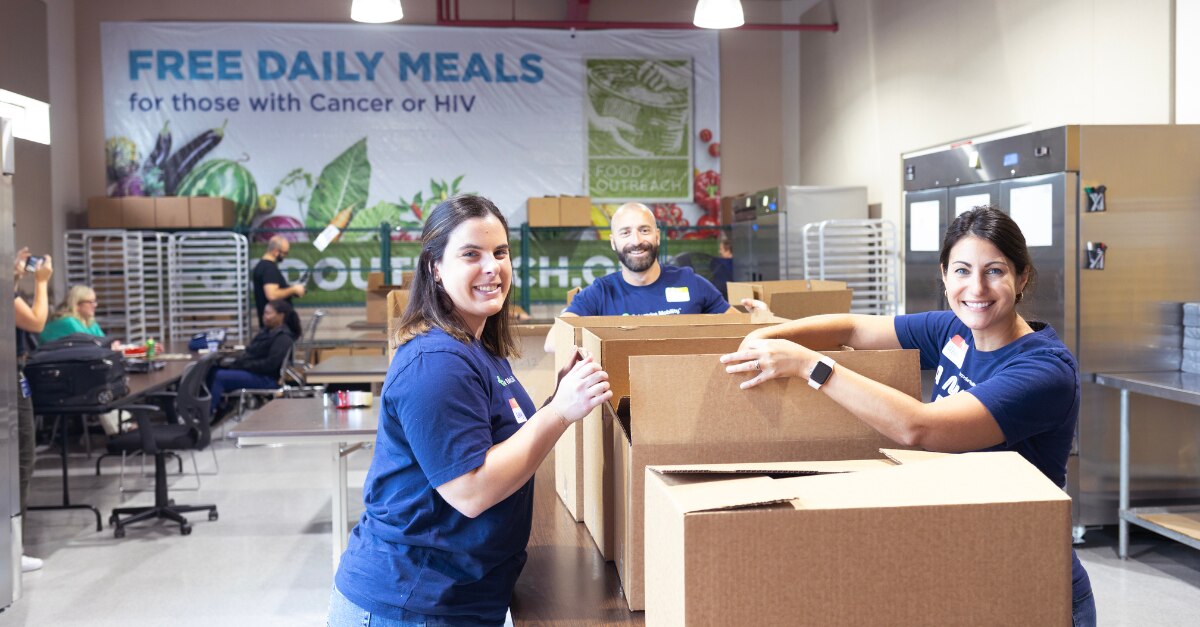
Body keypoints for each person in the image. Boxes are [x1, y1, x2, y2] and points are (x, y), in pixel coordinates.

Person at [720, 206, 1095, 626]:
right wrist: (763, 336)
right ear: (944, 275)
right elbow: (852, 328)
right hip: (968, 567)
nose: (976, 288)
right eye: (962, 271)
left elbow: (919, 428)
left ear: (1022, 277)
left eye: (994, 271)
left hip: (1034, 584)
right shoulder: (954, 331)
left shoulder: (1043, 371)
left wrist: (810, 366)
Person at [329, 195, 611, 626]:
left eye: (500, 252)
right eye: (471, 254)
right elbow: (471, 491)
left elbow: (501, 439)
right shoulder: (435, 363)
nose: (492, 267)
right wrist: (558, 413)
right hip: (410, 604)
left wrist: (558, 397)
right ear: (435, 268)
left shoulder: (476, 346)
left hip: (462, 595)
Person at [545, 202, 766, 352]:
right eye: (625, 233)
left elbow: (739, 330)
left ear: (657, 236)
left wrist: (760, 320)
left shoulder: (691, 283)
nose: (636, 241)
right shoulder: (600, 293)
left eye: (644, 230)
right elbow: (553, 342)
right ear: (613, 242)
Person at [12, 248, 51, 573]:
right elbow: (36, 321)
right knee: (22, 461)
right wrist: (41, 282)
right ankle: (12, 550)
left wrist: (14, 277)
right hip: (8, 382)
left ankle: (12, 548)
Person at [206, 298, 300, 417]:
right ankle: (212, 407)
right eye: (264, 313)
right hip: (254, 372)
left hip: (266, 379)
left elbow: (270, 365)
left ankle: (207, 414)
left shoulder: (283, 338)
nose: (264, 317)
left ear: (281, 316)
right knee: (211, 370)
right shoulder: (267, 332)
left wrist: (244, 365)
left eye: (268, 313)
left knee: (219, 376)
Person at [252, 235, 305, 328]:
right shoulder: (269, 269)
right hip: (276, 326)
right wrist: (293, 290)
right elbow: (272, 295)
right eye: (284, 253)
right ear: (276, 251)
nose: (285, 256)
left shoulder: (262, 266)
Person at [39, 284, 104, 343]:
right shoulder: (68, 322)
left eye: (95, 301)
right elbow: (88, 343)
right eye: (90, 302)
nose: (95, 305)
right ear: (77, 304)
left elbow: (103, 342)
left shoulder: (90, 322)